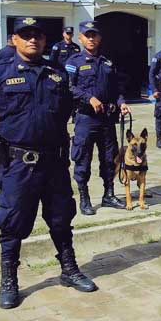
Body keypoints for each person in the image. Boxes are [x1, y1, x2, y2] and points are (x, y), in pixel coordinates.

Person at [0, 17, 97, 309]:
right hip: (18, 164)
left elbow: (67, 109)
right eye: (25, 35)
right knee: (13, 221)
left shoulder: (57, 73)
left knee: (60, 218)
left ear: (44, 40)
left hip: (54, 163)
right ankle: (9, 281)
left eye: (37, 36)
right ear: (14, 39)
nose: (32, 40)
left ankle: (68, 269)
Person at [65, 20, 129, 215]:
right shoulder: (73, 62)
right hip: (86, 119)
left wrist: (122, 103)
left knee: (109, 159)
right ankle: (85, 199)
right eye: (87, 35)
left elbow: (116, 89)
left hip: (107, 119)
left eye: (94, 35)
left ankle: (108, 195)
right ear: (81, 38)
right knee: (83, 159)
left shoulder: (107, 62)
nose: (91, 38)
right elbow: (68, 87)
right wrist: (89, 98)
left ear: (99, 38)